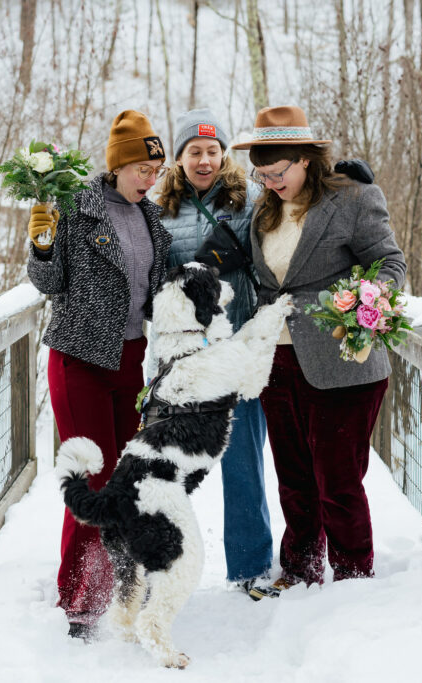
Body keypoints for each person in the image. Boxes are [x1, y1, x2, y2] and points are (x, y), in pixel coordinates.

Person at [231, 105, 406, 589]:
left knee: (338, 484)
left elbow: (390, 262)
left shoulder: (352, 199)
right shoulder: (265, 209)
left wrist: (367, 302)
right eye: (261, 173)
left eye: (278, 171)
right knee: (295, 479)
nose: (269, 181)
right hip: (279, 360)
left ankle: (353, 575)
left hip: (342, 362)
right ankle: (300, 570)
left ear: (306, 159)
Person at [27, 110, 172, 638]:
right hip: (80, 360)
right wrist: (42, 243)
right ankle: (80, 601)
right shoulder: (76, 208)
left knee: (124, 478)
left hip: (130, 361)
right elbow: (49, 280)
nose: (150, 177)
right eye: (142, 167)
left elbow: (156, 292)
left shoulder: (151, 218)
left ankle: (115, 585)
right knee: (94, 478)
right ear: (118, 164)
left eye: (156, 169)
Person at [155, 109, 274, 598]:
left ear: (223, 153)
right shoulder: (159, 212)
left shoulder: (248, 202)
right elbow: (153, 286)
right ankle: (156, 563)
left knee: (242, 460)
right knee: (163, 465)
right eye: (193, 151)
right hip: (184, 362)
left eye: (212, 150)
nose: (204, 160)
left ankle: (251, 567)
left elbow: (294, 220)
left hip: (236, 349)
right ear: (179, 158)